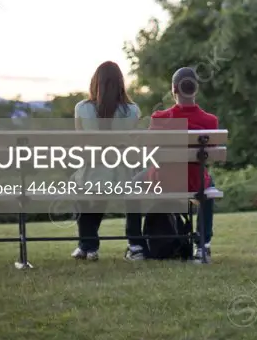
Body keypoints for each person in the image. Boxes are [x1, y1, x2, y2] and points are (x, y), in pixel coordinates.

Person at [126, 66, 219, 264]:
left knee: (132, 184)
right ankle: (203, 246)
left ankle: (136, 246)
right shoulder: (210, 121)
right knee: (208, 185)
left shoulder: (159, 118)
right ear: (196, 89)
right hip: (194, 183)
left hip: (162, 180)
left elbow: (151, 152)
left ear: (174, 89)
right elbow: (209, 155)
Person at [71, 61, 140, 260]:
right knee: (106, 185)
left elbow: (81, 144)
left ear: (95, 83)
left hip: (92, 173)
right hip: (123, 177)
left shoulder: (82, 108)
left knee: (82, 187)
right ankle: (134, 245)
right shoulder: (133, 110)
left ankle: (88, 245)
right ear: (120, 83)